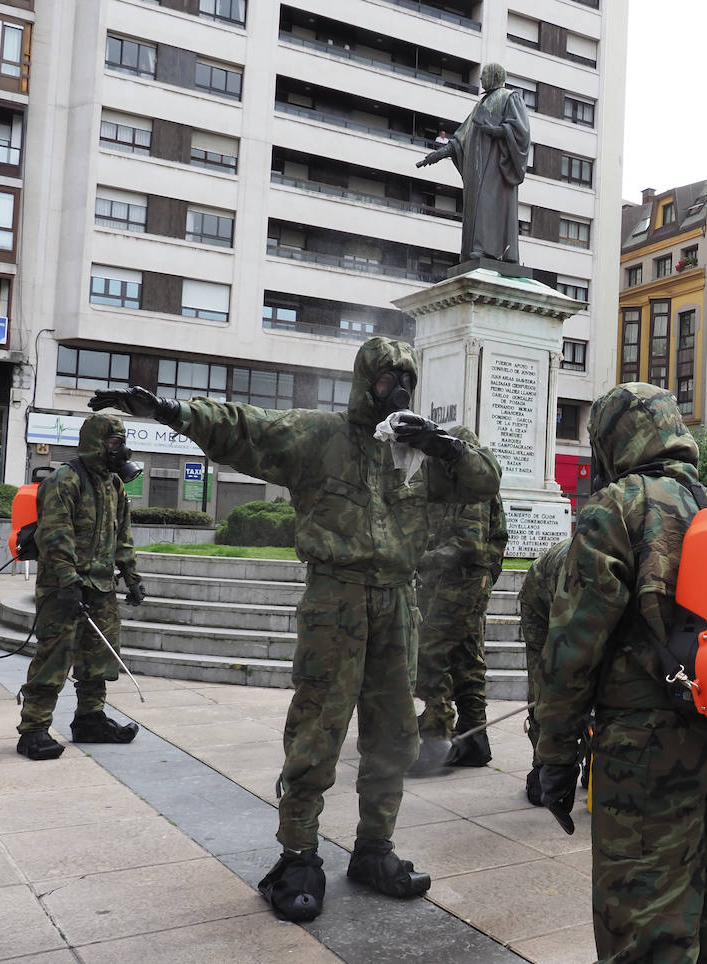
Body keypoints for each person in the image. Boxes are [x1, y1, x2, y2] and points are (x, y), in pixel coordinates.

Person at [90, 337, 500, 923]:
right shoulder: (320, 437)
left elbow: (486, 479)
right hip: (335, 600)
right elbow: (244, 428)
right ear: (365, 382)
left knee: (394, 736)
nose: (398, 393)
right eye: (387, 381)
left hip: (396, 606)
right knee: (317, 730)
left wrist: (441, 445)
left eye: (407, 380)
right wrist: (167, 411)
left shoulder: (421, 453)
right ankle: (299, 855)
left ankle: (374, 849)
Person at [534, 383, 707, 961]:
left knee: (645, 926)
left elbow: (573, 648)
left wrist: (556, 756)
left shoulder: (619, 505)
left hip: (650, 744)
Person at [16, 413, 145, 761]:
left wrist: (131, 577)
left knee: (97, 659)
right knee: (54, 657)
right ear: (95, 442)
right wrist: (68, 581)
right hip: (64, 587)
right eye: (114, 442)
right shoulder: (65, 480)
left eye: (122, 442)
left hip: (101, 587)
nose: (121, 449)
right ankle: (34, 730)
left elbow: (123, 537)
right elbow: (55, 536)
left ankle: (90, 720)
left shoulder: (114, 484)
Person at [409, 427, 508, 772]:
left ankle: (437, 736)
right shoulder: (460, 484)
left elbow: (469, 545)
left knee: (430, 650)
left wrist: (422, 559)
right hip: (461, 580)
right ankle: (474, 737)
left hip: (464, 580)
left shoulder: (471, 489)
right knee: (466, 657)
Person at [416, 62, 530, 264]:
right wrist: (440, 153)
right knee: (476, 207)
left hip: (497, 166)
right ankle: (477, 250)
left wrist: (496, 131)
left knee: (489, 204)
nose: (480, 78)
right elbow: (462, 137)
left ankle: (490, 250)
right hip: (477, 170)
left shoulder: (509, 97)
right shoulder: (481, 104)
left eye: (484, 74)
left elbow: (522, 132)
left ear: (494, 76)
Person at [517, 536, 570, 805]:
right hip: (540, 602)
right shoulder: (574, 566)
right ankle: (544, 766)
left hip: (578, 603)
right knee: (545, 681)